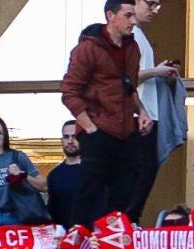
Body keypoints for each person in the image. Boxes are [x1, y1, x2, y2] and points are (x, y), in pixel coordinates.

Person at [61, 0, 154, 224]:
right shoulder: (88, 48)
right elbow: (69, 92)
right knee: (90, 191)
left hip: (125, 130)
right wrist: (91, 128)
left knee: (124, 192)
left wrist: (141, 112)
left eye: (134, 16)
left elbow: (128, 87)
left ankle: (113, 247)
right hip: (99, 130)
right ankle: (76, 246)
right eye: (128, 15)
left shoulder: (132, 47)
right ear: (111, 16)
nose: (133, 21)